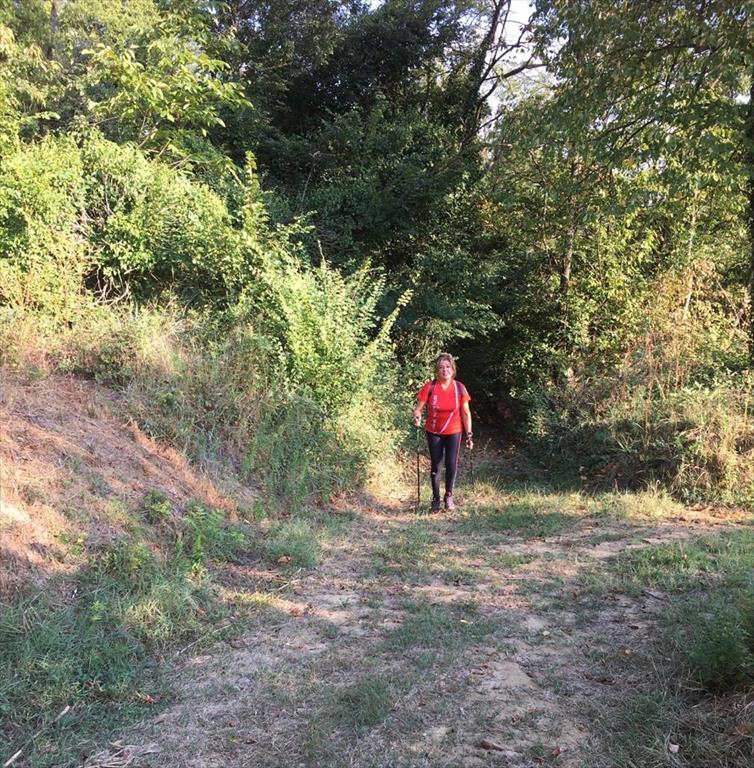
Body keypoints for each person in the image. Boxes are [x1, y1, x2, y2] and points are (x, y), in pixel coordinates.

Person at [413, 353, 473, 512]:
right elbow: (418, 409)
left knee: (451, 463)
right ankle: (435, 498)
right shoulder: (430, 387)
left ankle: (449, 495)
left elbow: (466, 413)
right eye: (441, 367)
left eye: (447, 367)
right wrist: (417, 417)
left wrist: (469, 435)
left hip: (454, 430)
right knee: (436, 465)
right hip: (434, 431)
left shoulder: (459, 388)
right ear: (437, 371)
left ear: (453, 370)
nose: (444, 370)